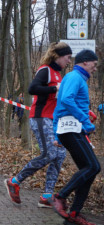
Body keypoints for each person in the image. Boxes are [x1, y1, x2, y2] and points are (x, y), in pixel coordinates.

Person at [4, 42, 72, 207]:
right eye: (68, 57)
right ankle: (14, 181)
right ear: (58, 56)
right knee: (49, 153)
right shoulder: (45, 70)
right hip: (41, 117)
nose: (69, 61)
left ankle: (46, 196)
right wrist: (54, 90)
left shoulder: (58, 74)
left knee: (59, 155)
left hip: (54, 120)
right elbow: (32, 89)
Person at [52, 49, 101, 225]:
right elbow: (65, 100)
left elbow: (60, 105)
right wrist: (85, 121)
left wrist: (56, 131)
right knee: (94, 167)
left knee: (88, 171)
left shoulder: (75, 78)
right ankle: (60, 196)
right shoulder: (74, 77)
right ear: (85, 62)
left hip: (70, 130)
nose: (95, 69)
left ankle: (73, 215)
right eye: (94, 65)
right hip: (71, 129)